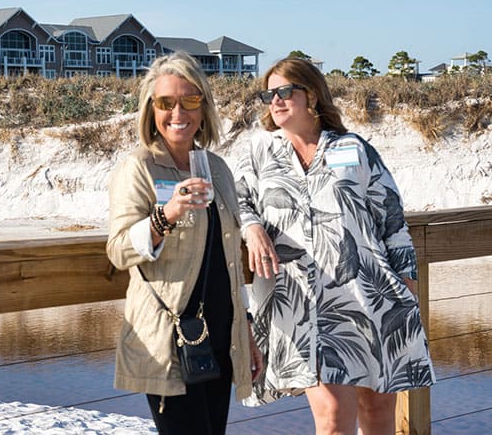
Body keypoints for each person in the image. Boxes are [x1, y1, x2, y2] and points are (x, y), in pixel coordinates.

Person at [235, 58, 435, 435]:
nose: (274, 101)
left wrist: (407, 281)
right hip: (302, 303)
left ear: (311, 95)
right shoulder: (260, 151)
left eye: (284, 92)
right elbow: (239, 201)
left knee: (378, 415)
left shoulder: (353, 148)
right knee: (332, 420)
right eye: (268, 94)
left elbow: (391, 218)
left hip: (370, 298)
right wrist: (253, 228)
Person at [106, 52, 262, 435]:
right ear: (151, 110)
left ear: (204, 107)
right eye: (166, 102)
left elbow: (227, 261)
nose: (178, 112)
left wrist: (246, 329)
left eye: (190, 101)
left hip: (220, 336)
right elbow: (119, 250)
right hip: (169, 339)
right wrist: (168, 214)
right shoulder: (139, 167)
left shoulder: (218, 169)